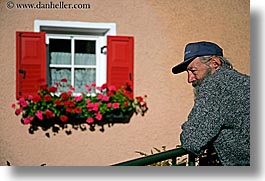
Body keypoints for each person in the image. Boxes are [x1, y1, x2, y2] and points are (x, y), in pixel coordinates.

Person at [172, 41, 250, 166]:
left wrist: (188, 128)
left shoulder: (215, 85)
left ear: (215, 63)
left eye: (193, 70)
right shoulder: (245, 81)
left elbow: (192, 140)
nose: (189, 79)